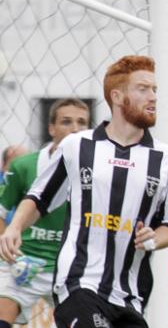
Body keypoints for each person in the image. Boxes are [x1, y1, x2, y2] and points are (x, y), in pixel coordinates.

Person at [0, 55, 168, 328]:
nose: (153, 97)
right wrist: (15, 227)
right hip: (79, 282)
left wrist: (153, 239)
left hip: (132, 294)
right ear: (118, 96)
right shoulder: (77, 146)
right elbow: (39, 198)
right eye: (143, 89)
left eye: (155, 90)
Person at [0, 98, 89, 326]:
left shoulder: (95, 171)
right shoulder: (24, 166)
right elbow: (1, 212)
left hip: (69, 268)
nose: (75, 129)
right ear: (51, 128)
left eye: (82, 122)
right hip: (24, 263)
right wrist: (8, 253)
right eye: (66, 122)